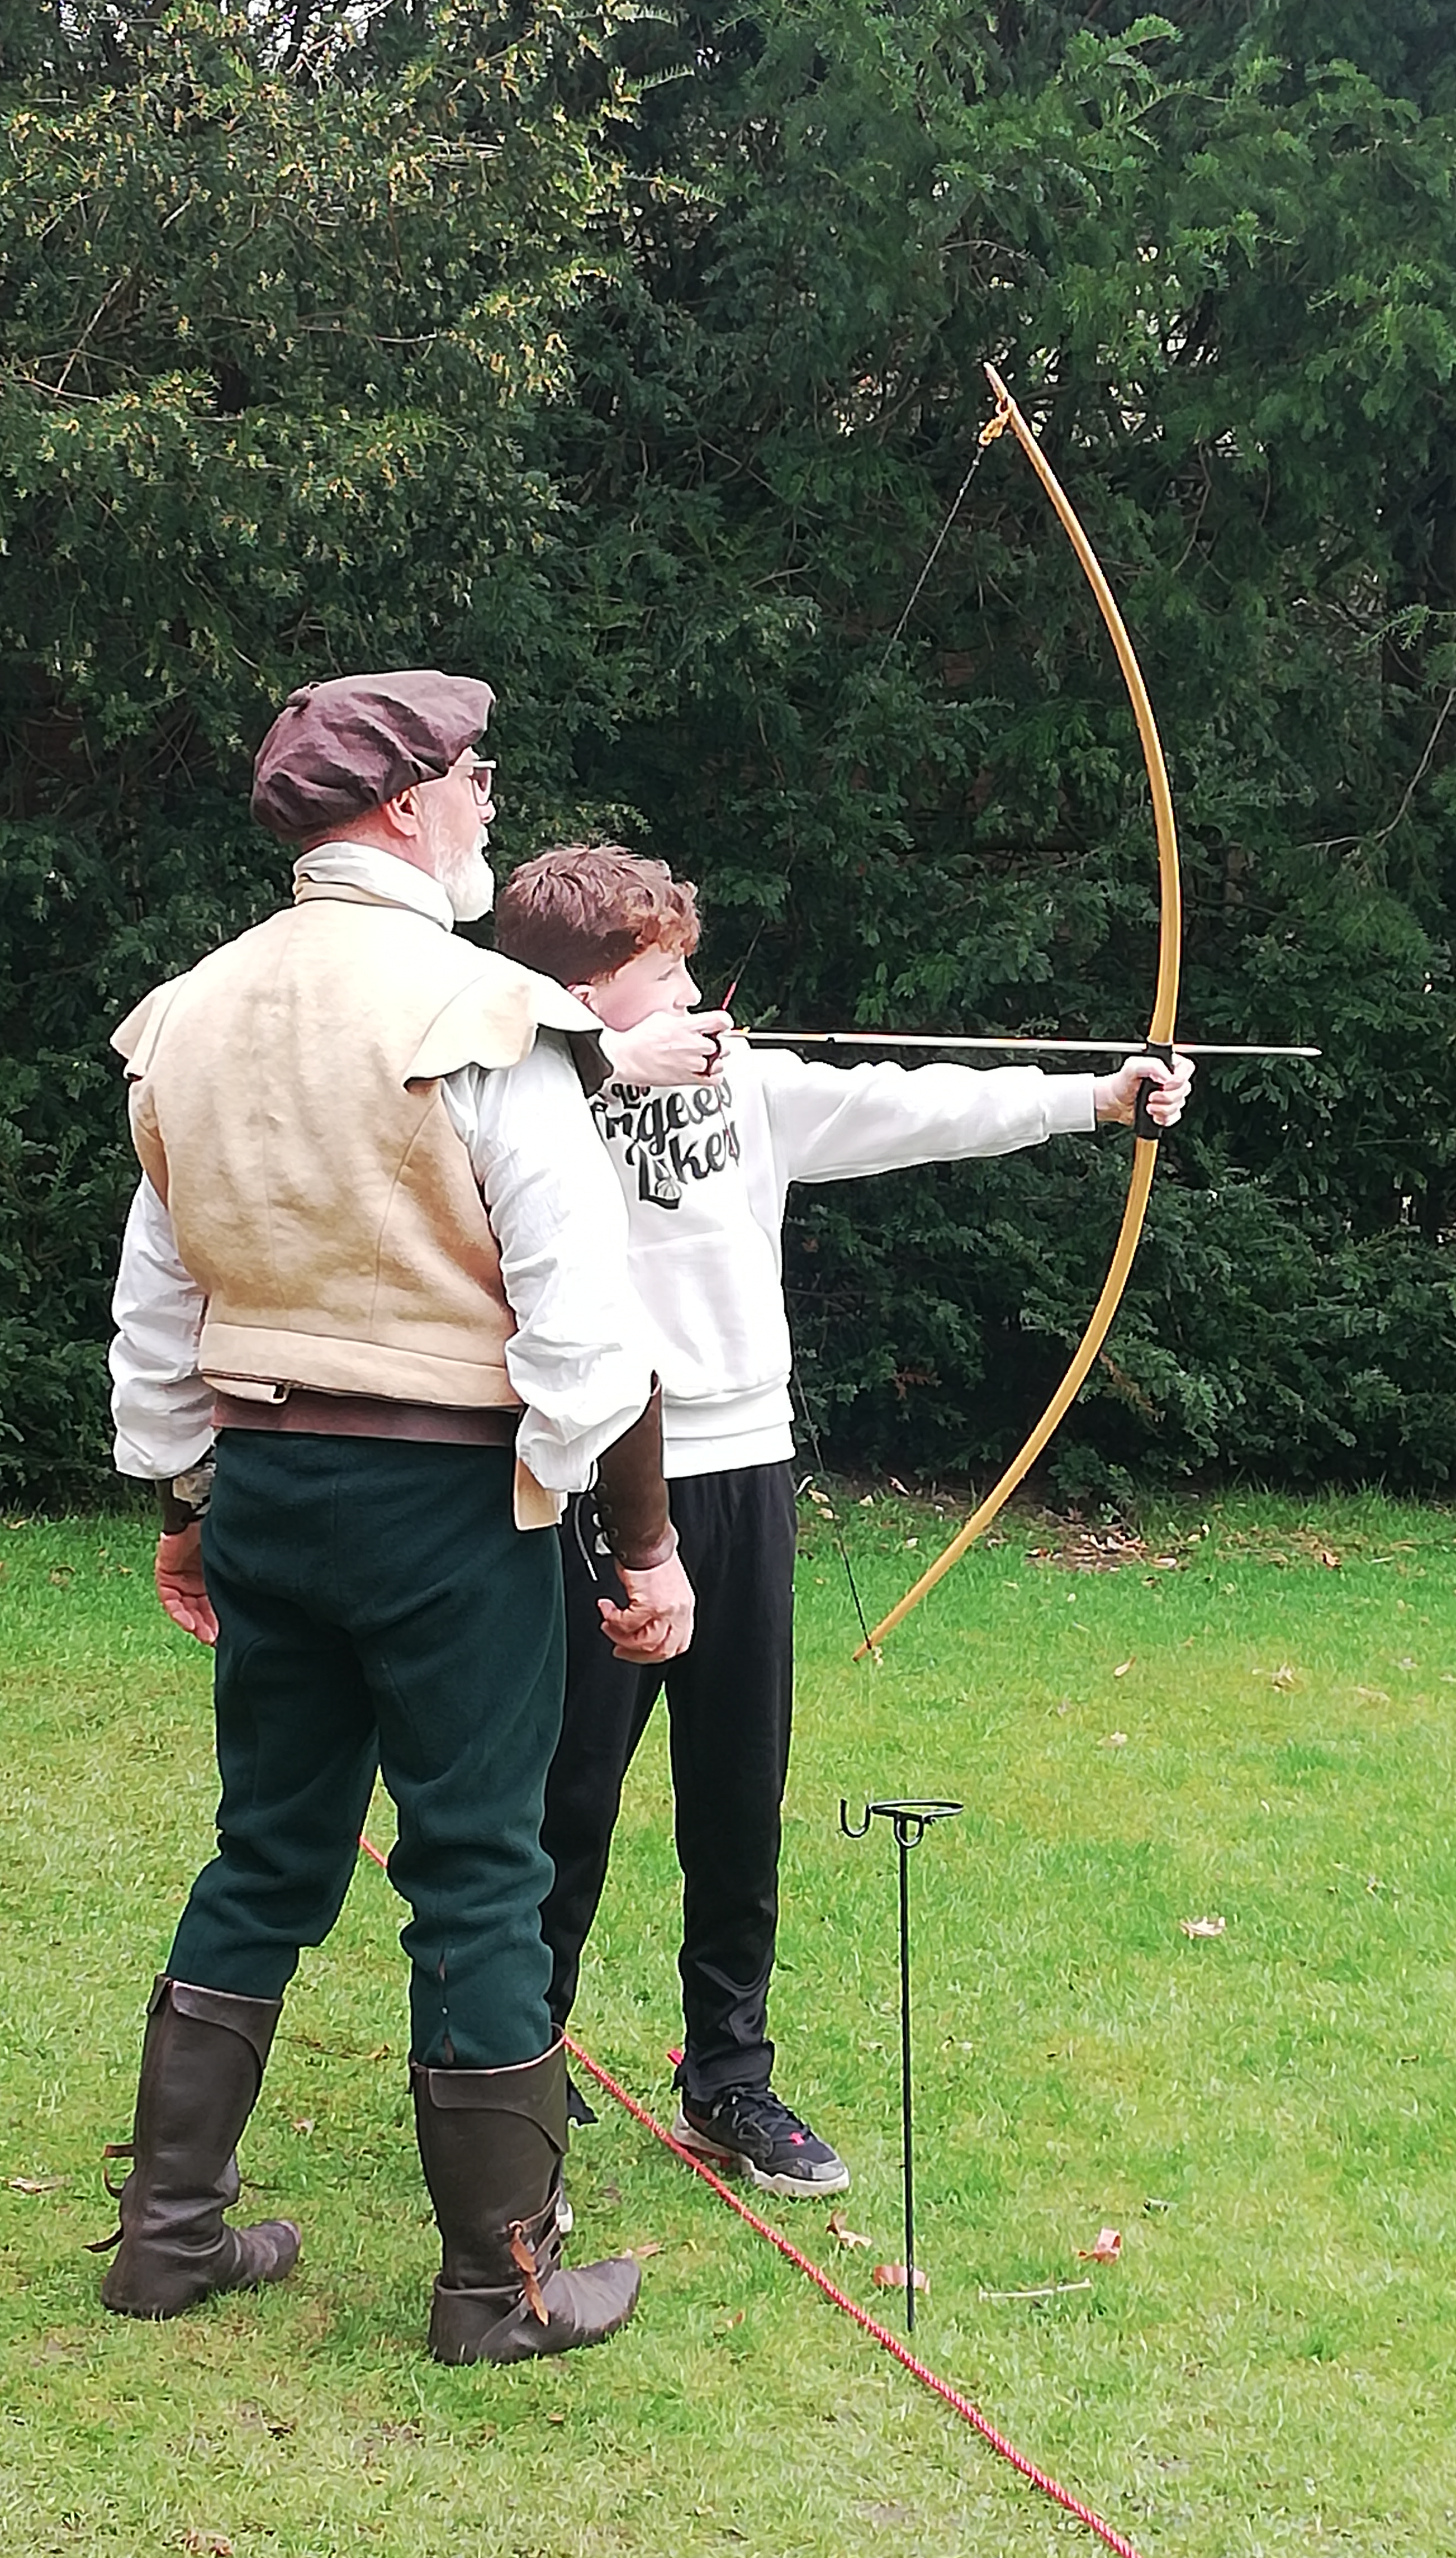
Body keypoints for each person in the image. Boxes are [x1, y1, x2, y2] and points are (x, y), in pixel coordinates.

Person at [101, 674, 695, 2367]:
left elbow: (159, 1312)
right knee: (480, 1869)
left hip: (267, 1489)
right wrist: (634, 1540)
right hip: (447, 1501)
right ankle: (501, 2290)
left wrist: (188, 1503)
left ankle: (168, 2238)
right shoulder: (488, 1008)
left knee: (266, 1850)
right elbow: (587, 1332)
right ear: (407, 803)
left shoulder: (190, 1014)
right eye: (474, 777)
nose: (490, 800)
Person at [494, 844, 1193, 2196]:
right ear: (578, 1001)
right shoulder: (522, 1102)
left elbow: (911, 1101)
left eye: (689, 971)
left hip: (743, 1466)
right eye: (660, 978)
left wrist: (1100, 1099)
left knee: (738, 1794)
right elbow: (466, 1130)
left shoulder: (749, 1088)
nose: (694, 998)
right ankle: (521, 2055)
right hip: (593, 1474)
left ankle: (729, 2077)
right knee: (566, 1790)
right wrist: (600, 1069)